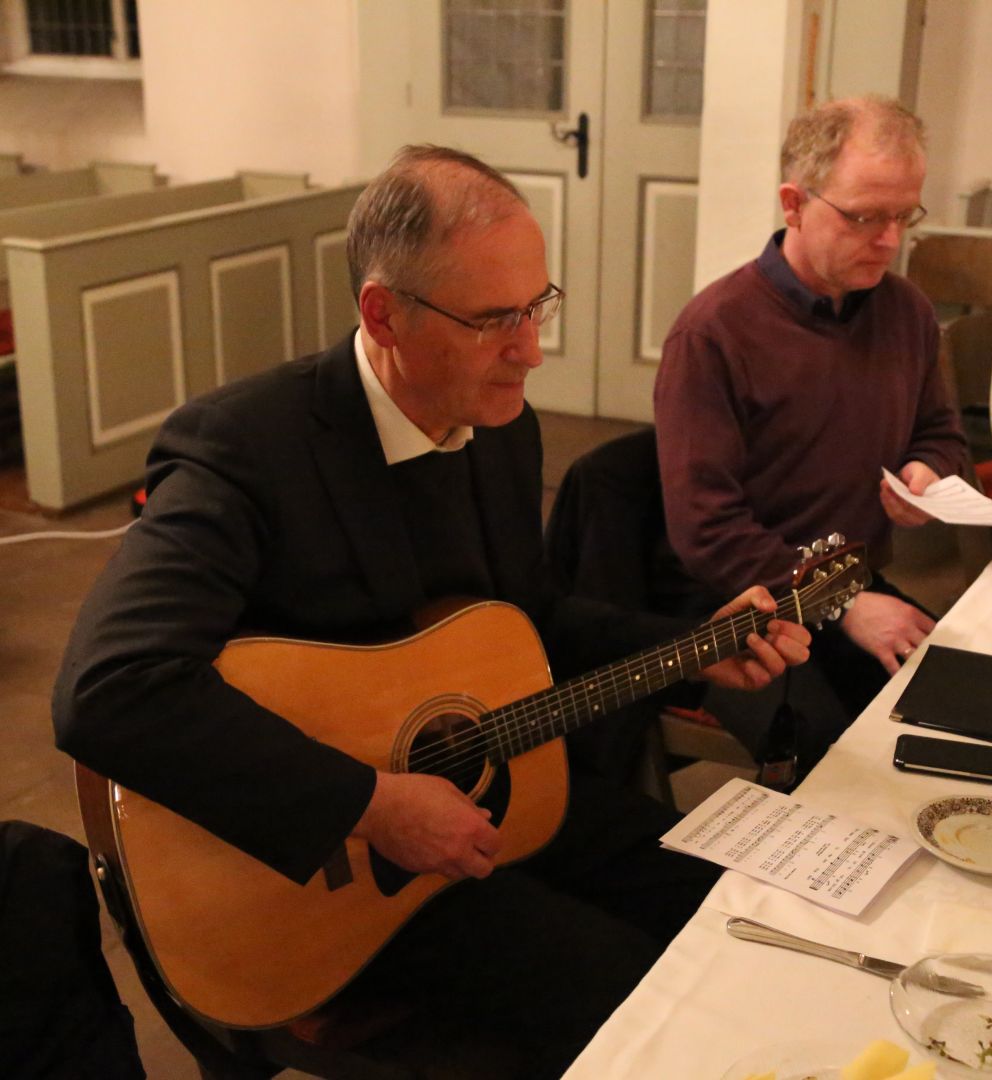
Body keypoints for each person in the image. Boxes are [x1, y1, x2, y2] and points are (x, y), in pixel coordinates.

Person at [52, 145, 809, 1077]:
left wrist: (690, 650)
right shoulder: (246, 448)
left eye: (538, 306)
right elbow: (109, 690)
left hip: (494, 802)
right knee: (627, 992)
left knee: (736, 901)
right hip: (329, 874)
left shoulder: (497, 419)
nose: (532, 349)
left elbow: (526, 620)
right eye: (496, 319)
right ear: (384, 314)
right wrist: (370, 802)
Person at [653, 95, 966, 774]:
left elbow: (941, 432)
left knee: (960, 714)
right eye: (863, 217)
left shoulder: (904, 309)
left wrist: (928, 473)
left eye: (902, 216)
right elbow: (705, 529)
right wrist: (841, 601)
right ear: (793, 204)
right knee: (857, 763)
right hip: (742, 605)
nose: (889, 241)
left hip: (849, 583)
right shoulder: (715, 332)